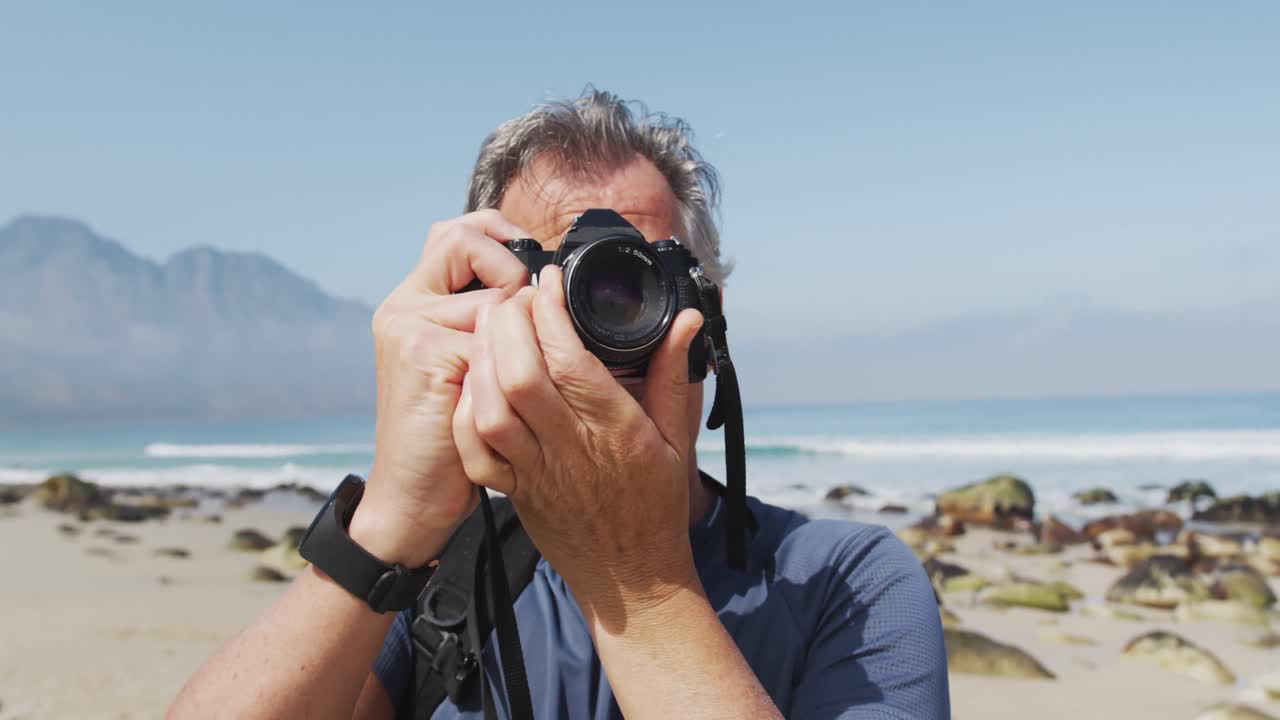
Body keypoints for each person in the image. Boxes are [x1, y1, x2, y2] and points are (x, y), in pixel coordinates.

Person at [170, 88, 950, 719]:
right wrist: (383, 531)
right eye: (555, 286)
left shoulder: (847, 583)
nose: (600, 325)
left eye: (639, 282)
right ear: (477, 309)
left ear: (708, 319)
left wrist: (640, 585)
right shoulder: (440, 571)